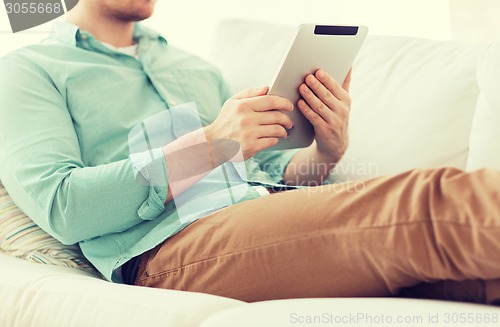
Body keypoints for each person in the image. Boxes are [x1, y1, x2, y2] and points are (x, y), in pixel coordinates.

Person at [0, 0, 499, 304]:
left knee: (477, 281)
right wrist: (212, 144)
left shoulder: (193, 67)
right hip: (167, 249)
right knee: (429, 199)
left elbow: (264, 170)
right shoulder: (30, 68)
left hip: (260, 211)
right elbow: (63, 207)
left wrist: (326, 150)